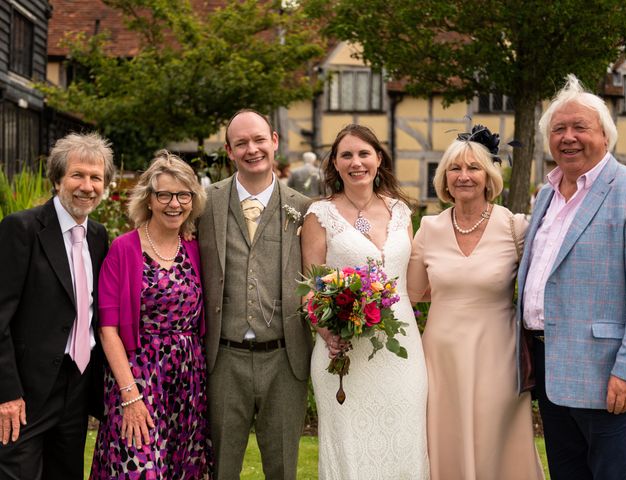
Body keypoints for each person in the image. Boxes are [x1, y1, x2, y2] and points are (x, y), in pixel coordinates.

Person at [518, 74, 626, 479]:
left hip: (609, 378)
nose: (568, 137)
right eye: (558, 129)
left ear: (606, 135)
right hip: (550, 370)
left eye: (579, 127)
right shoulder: (547, 195)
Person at [407, 125, 543, 479]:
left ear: (489, 177)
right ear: (444, 179)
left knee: (495, 443)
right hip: (442, 359)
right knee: (445, 438)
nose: (463, 176)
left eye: (474, 168)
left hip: (498, 356)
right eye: (455, 168)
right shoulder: (428, 229)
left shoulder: (515, 227)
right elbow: (413, 294)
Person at [302, 124, 429, 479]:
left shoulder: (401, 212)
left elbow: (411, 278)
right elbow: (310, 287)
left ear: (378, 159)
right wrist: (328, 333)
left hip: (401, 349)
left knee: (404, 438)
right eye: (347, 155)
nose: (356, 162)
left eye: (364, 154)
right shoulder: (319, 214)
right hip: (344, 350)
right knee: (350, 445)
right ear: (335, 164)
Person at [199, 109, 312, 479]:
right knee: (221, 468)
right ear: (229, 151)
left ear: (274, 141)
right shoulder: (205, 204)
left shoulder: (304, 209)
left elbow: (317, 278)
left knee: (282, 467)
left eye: (259, 139)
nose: (252, 149)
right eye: (241, 143)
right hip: (224, 358)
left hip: (284, 357)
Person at [89, 151, 212, 478]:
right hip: (139, 379)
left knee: (180, 469)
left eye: (183, 195)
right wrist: (130, 395)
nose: (175, 204)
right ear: (149, 199)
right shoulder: (124, 249)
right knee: (137, 467)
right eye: (165, 195)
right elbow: (108, 330)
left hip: (188, 385)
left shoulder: (195, 249)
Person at [0, 132, 114, 479]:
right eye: (78, 174)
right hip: (27, 390)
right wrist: (7, 393)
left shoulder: (98, 236)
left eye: (96, 177)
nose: (87, 185)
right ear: (57, 179)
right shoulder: (20, 229)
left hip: (77, 385)